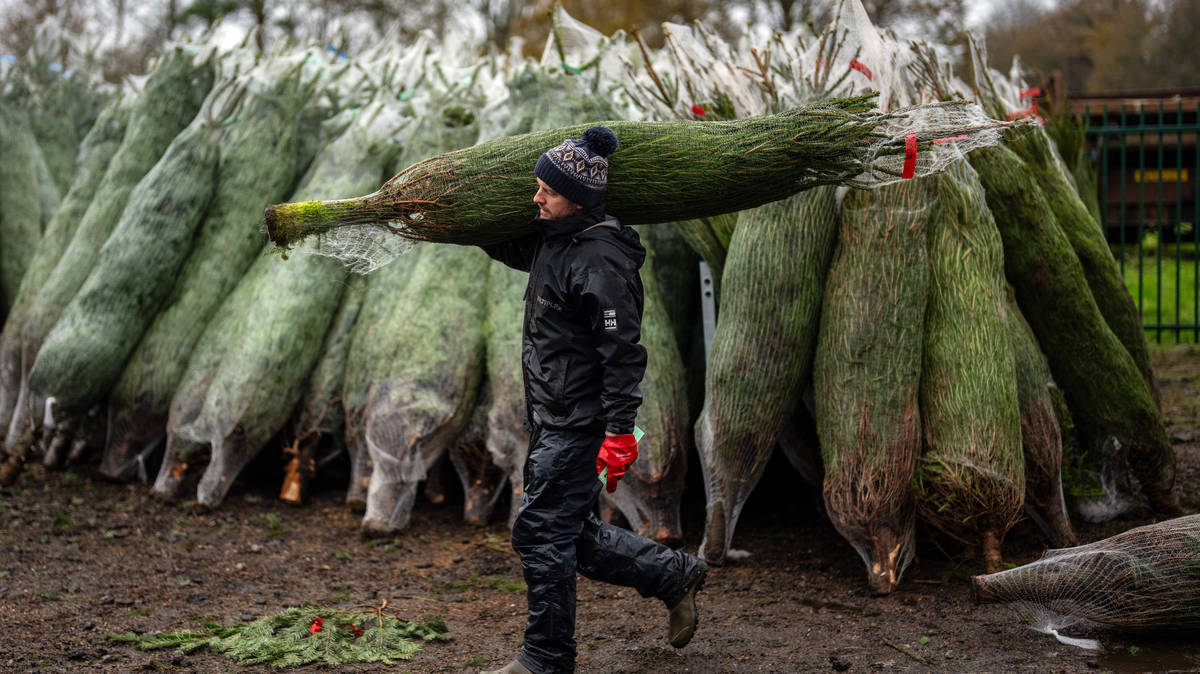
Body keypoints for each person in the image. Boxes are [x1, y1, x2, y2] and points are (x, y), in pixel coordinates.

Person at [479, 126, 707, 674]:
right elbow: (504, 244)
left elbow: (622, 353)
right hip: (553, 415)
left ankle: (546, 659)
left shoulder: (601, 260)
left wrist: (620, 431)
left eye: (547, 191)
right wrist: (455, 216)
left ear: (578, 200)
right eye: (538, 186)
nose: (537, 198)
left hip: (580, 423)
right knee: (570, 535)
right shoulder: (554, 240)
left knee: (540, 533)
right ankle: (673, 575)